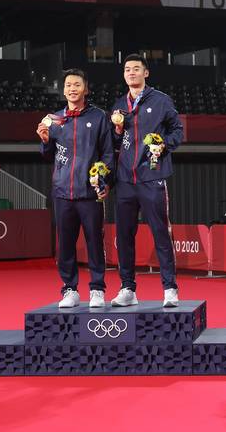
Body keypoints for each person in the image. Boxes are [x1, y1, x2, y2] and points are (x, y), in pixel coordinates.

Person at [109, 54, 184, 308]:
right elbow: (114, 143)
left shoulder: (161, 100)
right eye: (127, 69)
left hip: (152, 176)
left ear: (146, 73)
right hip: (125, 181)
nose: (131, 73)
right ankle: (128, 288)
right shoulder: (119, 105)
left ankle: (170, 288)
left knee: (161, 233)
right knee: (125, 235)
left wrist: (164, 146)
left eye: (136, 69)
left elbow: (178, 131)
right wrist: (117, 132)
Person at [37, 69, 114, 308]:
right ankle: (69, 289)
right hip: (62, 193)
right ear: (64, 90)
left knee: (94, 241)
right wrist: (44, 140)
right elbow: (48, 155)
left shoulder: (100, 117)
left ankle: (97, 289)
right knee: (65, 244)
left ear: (85, 89)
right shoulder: (55, 119)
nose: (72, 88)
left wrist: (104, 181)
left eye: (77, 84)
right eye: (68, 85)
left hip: (89, 193)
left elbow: (109, 154)